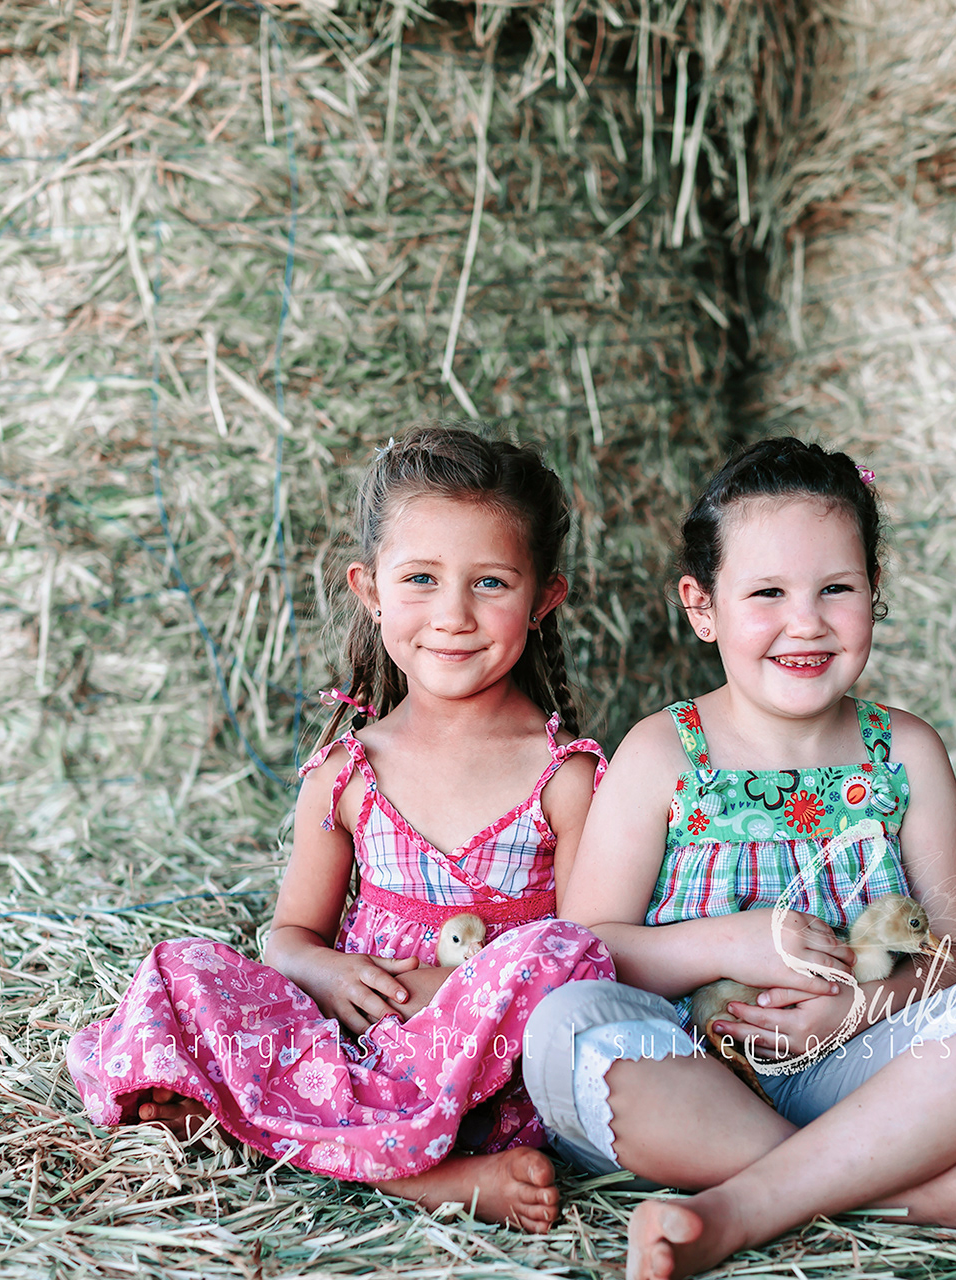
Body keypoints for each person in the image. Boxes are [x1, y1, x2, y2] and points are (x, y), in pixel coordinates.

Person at [523, 438, 956, 1278]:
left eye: (837, 589)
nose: (807, 622)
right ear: (701, 606)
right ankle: (899, 1193)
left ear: (874, 593)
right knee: (560, 1032)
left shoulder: (907, 754)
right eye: (768, 593)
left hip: (856, 1065)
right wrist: (728, 943)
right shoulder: (662, 753)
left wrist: (855, 1010)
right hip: (690, 1069)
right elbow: (584, 949)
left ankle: (741, 1208)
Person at [68, 426, 615, 1231]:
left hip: (484, 1069)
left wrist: (454, 996)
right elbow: (288, 935)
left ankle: (296, 1134)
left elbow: (584, 961)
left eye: (491, 582)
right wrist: (326, 976)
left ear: (543, 599)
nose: (453, 615)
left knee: (565, 957)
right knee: (182, 968)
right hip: (352, 1043)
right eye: (421, 578)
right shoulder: (347, 771)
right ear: (371, 590)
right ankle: (423, 1176)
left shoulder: (564, 776)